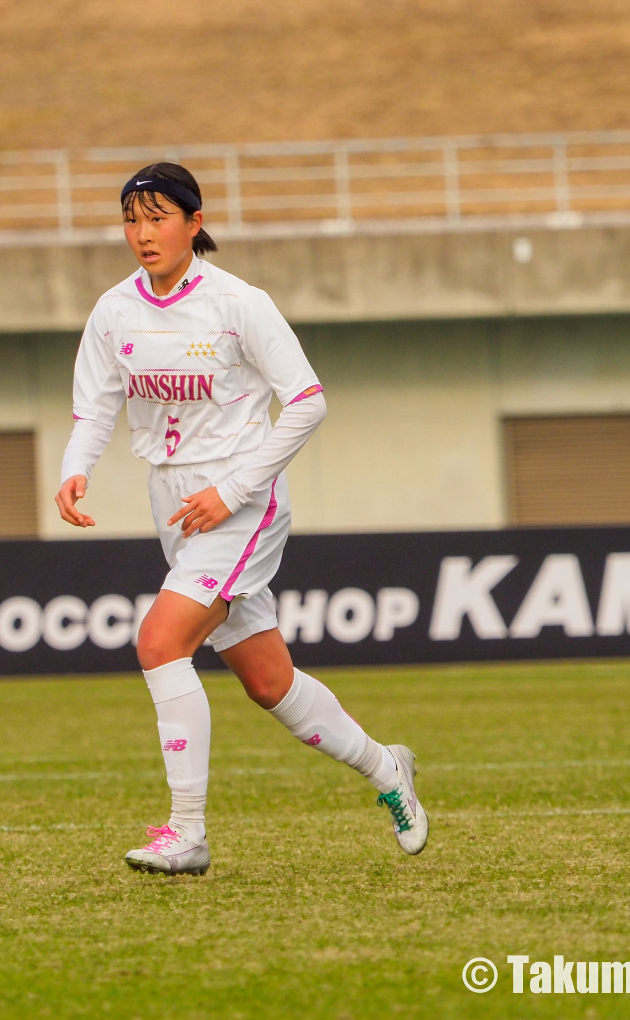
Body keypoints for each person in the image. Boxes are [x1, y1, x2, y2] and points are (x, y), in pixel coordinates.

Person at [55, 162, 428, 875]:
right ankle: (390, 772)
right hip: (173, 506)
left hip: (242, 506)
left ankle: (186, 831)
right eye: (132, 219)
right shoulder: (114, 311)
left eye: (159, 217)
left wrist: (232, 489)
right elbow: (95, 404)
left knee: (160, 642)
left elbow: (308, 400)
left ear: (195, 223)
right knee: (268, 683)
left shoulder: (239, 303)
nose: (143, 233)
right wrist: (77, 466)